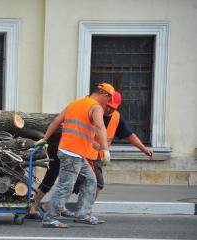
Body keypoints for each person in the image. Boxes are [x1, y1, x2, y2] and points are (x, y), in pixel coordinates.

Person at [29, 91, 154, 222]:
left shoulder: (115, 117)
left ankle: (75, 212)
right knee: (67, 181)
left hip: (84, 153)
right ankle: (49, 211)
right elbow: (79, 130)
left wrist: (143, 149)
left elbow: (130, 135)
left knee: (88, 181)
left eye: (113, 108)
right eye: (108, 106)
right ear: (104, 100)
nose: (110, 109)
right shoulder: (91, 108)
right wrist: (103, 149)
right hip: (77, 151)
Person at [34, 83, 114, 228]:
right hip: (72, 154)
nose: (107, 104)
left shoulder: (75, 103)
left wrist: (44, 139)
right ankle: (50, 218)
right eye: (108, 100)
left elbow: (57, 121)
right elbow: (100, 127)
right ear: (104, 95)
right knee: (65, 186)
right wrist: (106, 150)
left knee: (90, 181)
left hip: (72, 152)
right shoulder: (95, 107)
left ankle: (82, 214)